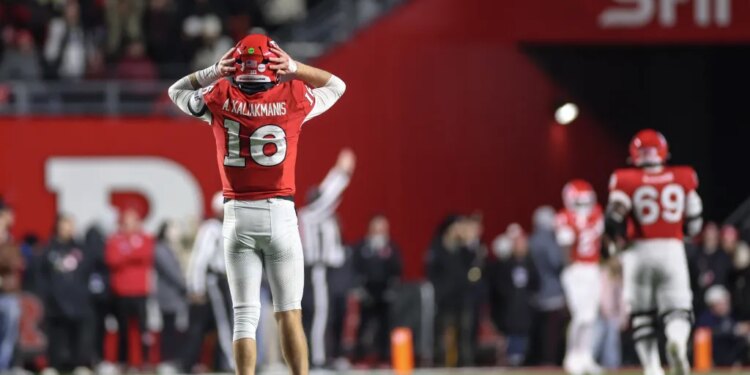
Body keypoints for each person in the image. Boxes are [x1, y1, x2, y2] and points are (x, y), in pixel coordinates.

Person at [167, 33, 346, 375]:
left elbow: (176, 92)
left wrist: (212, 71)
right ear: (272, 65)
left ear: (236, 66)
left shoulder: (220, 94)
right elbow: (337, 85)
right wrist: (295, 67)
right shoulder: (293, 94)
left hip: (236, 216)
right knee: (289, 311)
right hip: (280, 212)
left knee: (244, 315)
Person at [606, 129, 703, 375]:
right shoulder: (683, 176)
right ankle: (677, 343)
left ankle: (652, 367)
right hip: (672, 248)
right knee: (678, 309)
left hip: (638, 251)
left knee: (642, 316)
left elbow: (613, 218)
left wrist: (617, 244)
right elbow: (694, 221)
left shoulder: (625, 180)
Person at [298, 149, 355, 367]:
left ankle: (319, 355)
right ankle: (317, 358)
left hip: (323, 270)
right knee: (319, 313)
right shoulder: (310, 213)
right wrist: (340, 173)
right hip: (315, 270)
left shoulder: (317, 216)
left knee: (324, 313)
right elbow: (329, 196)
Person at [556, 179, 605, 375]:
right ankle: (572, 357)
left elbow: (602, 242)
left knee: (591, 317)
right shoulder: (564, 217)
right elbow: (565, 247)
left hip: (593, 268)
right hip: (576, 269)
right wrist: (571, 269)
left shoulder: (597, 214)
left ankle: (586, 356)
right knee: (581, 316)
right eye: (579, 202)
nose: (584, 207)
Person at [183, 192, 233, 372]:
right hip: (215, 281)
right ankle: (231, 362)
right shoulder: (212, 228)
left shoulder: (231, 227)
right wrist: (196, 286)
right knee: (223, 322)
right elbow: (200, 259)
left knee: (223, 322)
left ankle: (223, 361)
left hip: (228, 281)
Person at [39, 214, 95, 373]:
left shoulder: (81, 249)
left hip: (78, 300)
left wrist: (85, 293)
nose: (68, 228)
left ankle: (79, 364)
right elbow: (42, 275)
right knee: (56, 335)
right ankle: (53, 366)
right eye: (65, 224)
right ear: (58, 226)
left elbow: (89, 272)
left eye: (71, 224)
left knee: (79, 334)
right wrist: (48, 294)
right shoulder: (49, 249)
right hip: (55, 301)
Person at [104, 208, 155, 368]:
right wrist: (132, 254)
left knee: (143, 330)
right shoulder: (115, 240)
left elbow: (146, 254)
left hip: (140, 292)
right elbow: (112, 260)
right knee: (123, 330)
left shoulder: (145, 238)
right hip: (122, 292)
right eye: (126, 222)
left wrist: (127, 254)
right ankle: (123, 362)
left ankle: (145, 362)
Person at [351, 214, 402, 364]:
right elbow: (355, 267)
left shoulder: (391, 248)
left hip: (384, 291)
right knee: (364, 325)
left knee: (385, 325)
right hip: (367, 291)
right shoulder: (362, 247)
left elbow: (397, 269)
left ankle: (384, 357)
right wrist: (358, 288)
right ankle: (360, 356)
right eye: (376, 227)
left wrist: (392, 288)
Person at [488, 224, 539, 366]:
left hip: (525, 311)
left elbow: (535, 283)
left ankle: (520, 359)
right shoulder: (503, 264)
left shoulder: (530, 263)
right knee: (511, 341)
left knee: (524, 340)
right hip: (508, 312)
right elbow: (498, 288)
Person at [528, 206, 566, 366]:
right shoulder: (548, 239)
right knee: (551, 332)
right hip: (552, 292)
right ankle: (550, 361)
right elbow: (557, 262)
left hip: (536, 293)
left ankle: (542, 360)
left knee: (541, 331)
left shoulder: (532, 239)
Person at [153, 220, 188, 372]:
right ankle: (166, 361)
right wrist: (186, 286)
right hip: (168, 297)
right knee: (168, 329)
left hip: (176, 297)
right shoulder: (160, 249)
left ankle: (174, 360)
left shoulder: (173, 248)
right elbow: (172, 272)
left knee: (175, 329)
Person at [695, 285, 750, 366]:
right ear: (713, 304)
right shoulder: (705, 319)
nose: (727, 305)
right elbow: (712, 332)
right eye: (723, 302)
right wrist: (735, 330)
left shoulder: (727, 317)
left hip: (732, 358)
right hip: (714, 360)